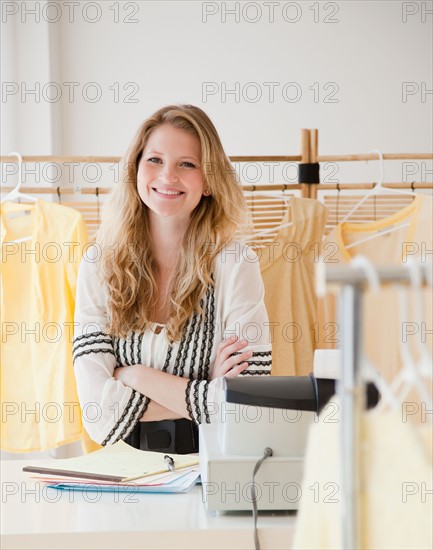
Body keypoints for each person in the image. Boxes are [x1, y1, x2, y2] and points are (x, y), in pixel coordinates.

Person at [73, 105, 272, 454]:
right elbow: (97, 414)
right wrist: (207, 389)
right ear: (135, 169)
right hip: (123, 476)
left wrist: (135, 376)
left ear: (209, 181)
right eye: (154, 160)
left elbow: (246, 407)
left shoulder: (235, 264)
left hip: (210, 468)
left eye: (187, 164)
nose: (167, 176)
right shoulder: (99, 262)